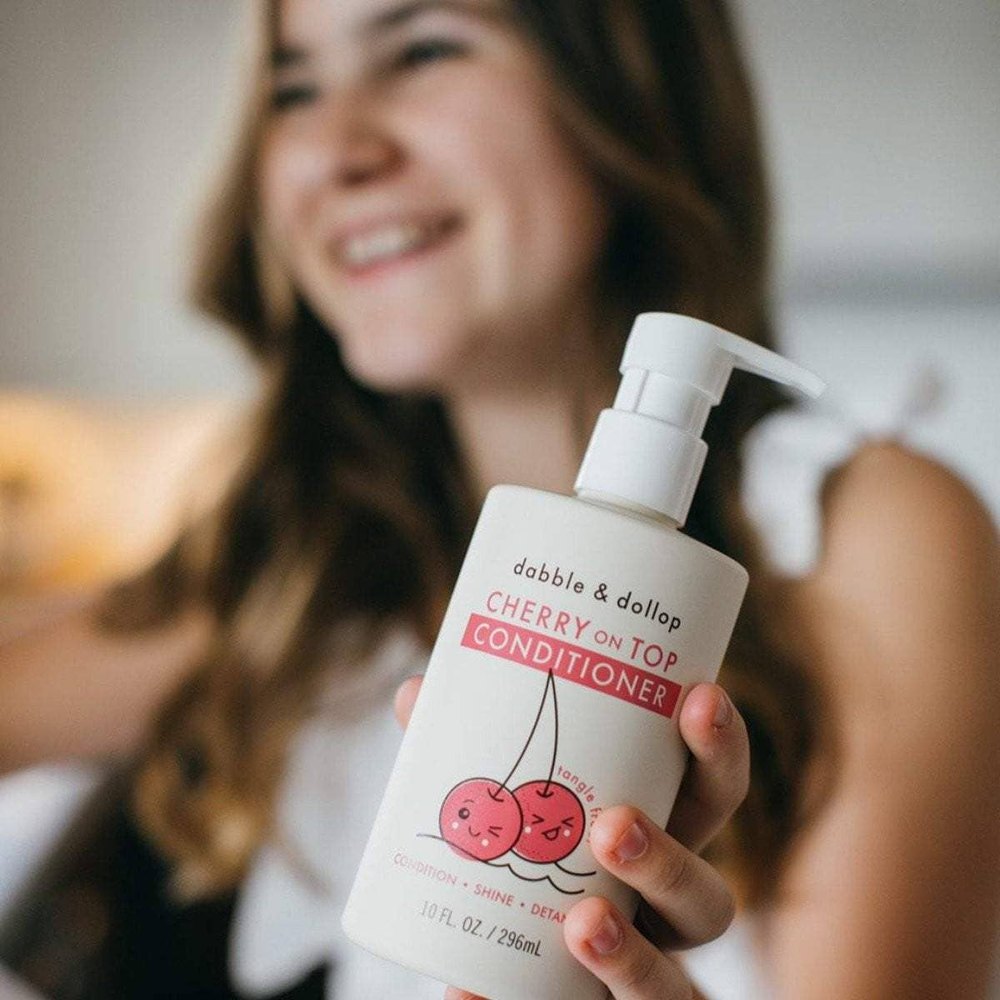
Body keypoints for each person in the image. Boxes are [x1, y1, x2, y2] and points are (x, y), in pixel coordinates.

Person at [2, 0, 999, 997]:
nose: (333, 149)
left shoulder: (856, 529)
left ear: (631, 94)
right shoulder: (305, 551)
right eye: (293, 87)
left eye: (424, 49)